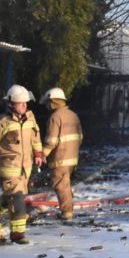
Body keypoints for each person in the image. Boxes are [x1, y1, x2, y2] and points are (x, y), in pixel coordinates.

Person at [0, 84, 45, 244]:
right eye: (20, 103)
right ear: (11, 104)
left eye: (25, 103)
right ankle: (18, 234)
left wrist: (38, 154)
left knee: (13, 197)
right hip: (9, 168)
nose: (24, 106)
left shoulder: (30, 118)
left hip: (25, 168)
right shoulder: (3, 122)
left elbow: (35, 138)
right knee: (18, 200)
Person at [40, 86, 83, 223]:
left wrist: (42, 154)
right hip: (72, 158)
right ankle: (68, 207)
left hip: (60, 158)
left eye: (48, 103)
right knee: (65, 184)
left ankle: (66, 212)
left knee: (60, 185)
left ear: (53, 102)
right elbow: (80, 137)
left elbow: (51, 141)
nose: (47, 106)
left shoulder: (55, 117)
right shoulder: (73, 115)